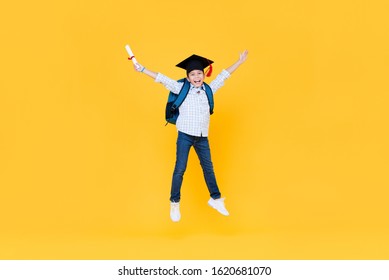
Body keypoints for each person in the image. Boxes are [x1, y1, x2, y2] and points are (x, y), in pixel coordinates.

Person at [131, 50, 248, 222]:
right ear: (188, 78)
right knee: (180, 169)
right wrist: (142, 69)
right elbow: (162, 79)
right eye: (192, 74)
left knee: (208, 169)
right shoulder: (181, 88)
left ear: (204, 75)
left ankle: (215, 199)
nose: (196, 76)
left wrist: (239, 62)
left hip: (202, 137)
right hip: (185, 135)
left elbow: (224, 76)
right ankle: (174, 202)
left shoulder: (209, 89)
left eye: (199, 73)